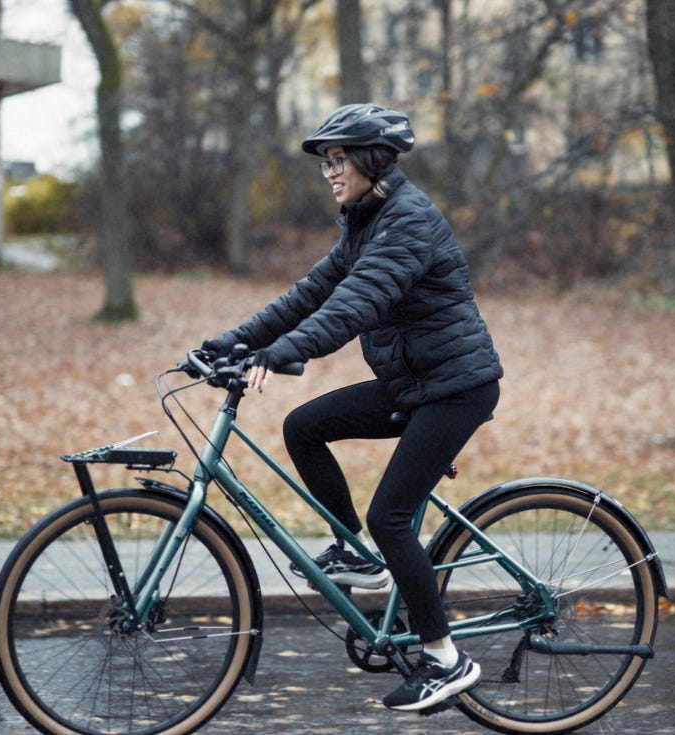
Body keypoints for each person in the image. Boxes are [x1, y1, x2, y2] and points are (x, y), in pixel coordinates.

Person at [198, 103, 503, 712]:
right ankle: (355, 554)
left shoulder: (408, 221)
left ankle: (446, 659)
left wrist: (278, 355)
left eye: (339, 161)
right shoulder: (365, 222)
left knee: (392, 516)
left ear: (370, 161)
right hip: (410, 382)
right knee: (304, 426)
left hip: (453, 389)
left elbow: (353, 307)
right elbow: (311, 294)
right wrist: (226, 343)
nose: (330, 173)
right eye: (327, 164)